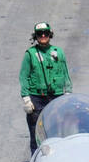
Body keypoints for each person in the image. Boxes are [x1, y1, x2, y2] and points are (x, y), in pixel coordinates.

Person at [19, 22, 72, 153]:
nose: (43, 36)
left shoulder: (58, 52)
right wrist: (26, 98)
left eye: (45, 33)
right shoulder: (30, 54)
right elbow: (23, 76)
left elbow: (65, 73)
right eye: (39, 34)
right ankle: (35, 157)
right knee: (35, 130)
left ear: (50, 35)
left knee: (59, 128)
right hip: (37, 98)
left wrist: (68, 93)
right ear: (35, 36)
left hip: (57, 95)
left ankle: (60, 155)